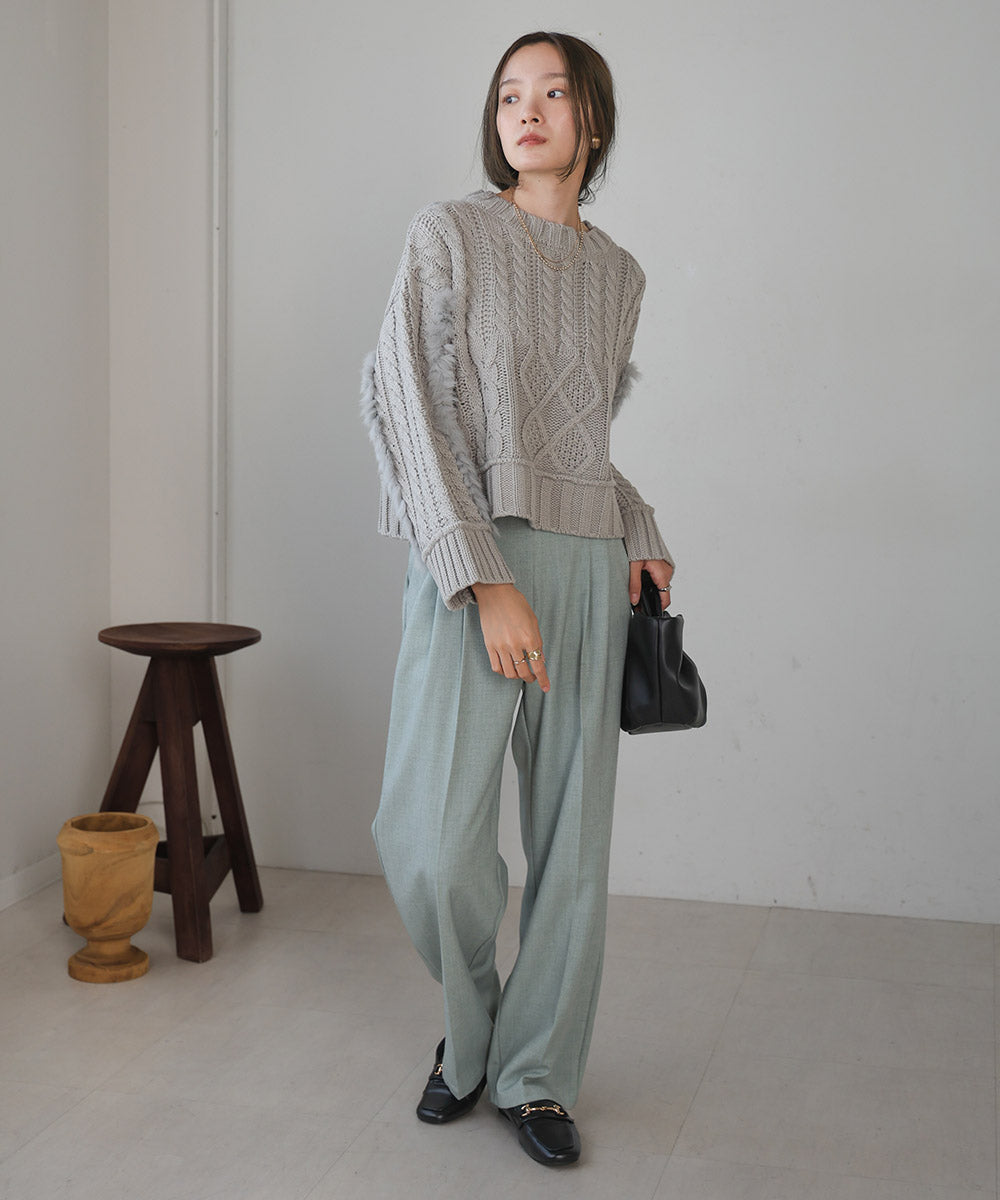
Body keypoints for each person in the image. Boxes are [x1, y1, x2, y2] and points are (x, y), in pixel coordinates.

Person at [361, 30, 674, 1167]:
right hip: (474, 564)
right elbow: (406, 404)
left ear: (593, 118)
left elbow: (577, 442)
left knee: (571, 844)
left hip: (586, 562)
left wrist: (637, 532)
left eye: (551, 92)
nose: (525, 111)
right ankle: (475, 1029)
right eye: (507, 94)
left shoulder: (619, 276)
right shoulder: (448, 234)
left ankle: (533, 1075)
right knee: (429, 843)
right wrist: (484, 579)